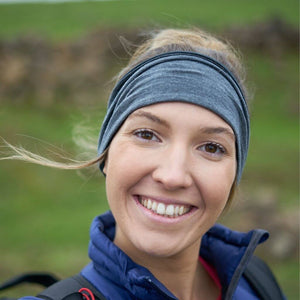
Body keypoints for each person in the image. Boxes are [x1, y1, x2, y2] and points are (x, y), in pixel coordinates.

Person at [1, 28, 285, 300]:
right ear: (107, 153)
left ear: (234, 175)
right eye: (146, 134)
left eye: (211, 147)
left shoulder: (256, 281)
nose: (173, 176)